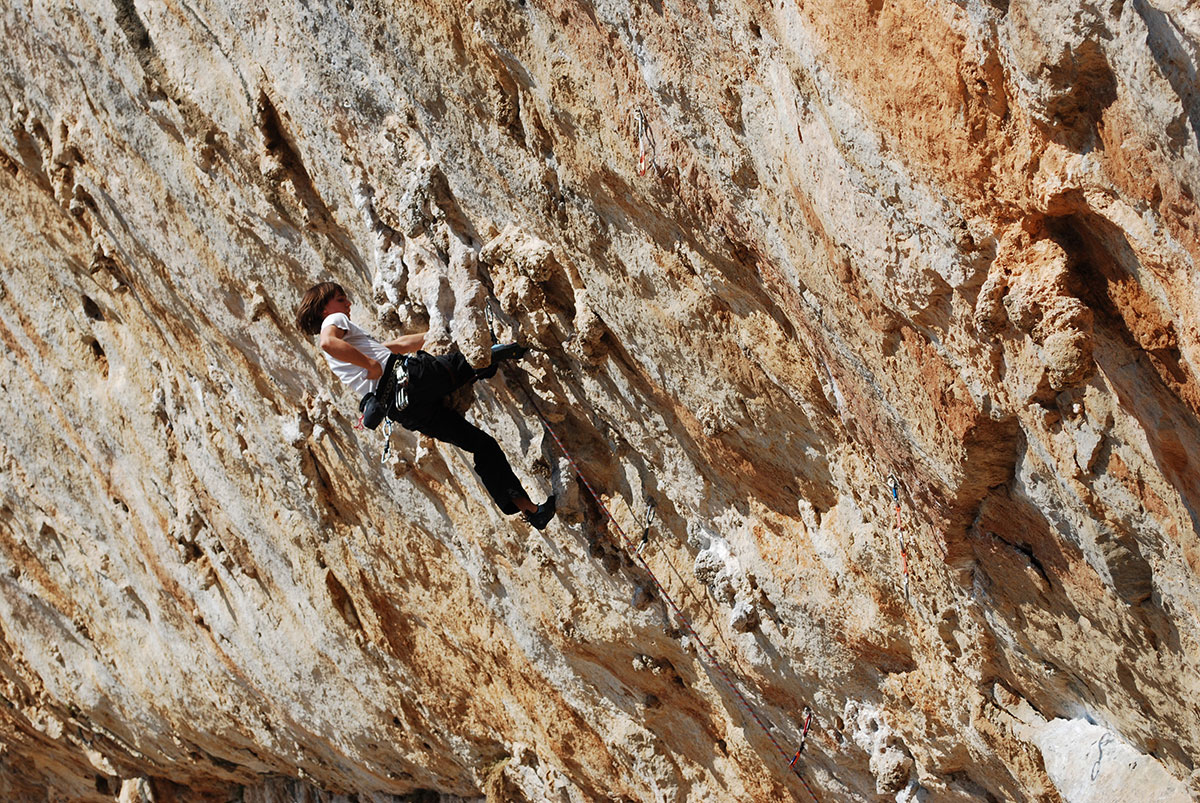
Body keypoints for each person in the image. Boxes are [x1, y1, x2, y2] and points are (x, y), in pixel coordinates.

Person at [295, 281, 556, 529]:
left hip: (404, 409)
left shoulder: (348, 352)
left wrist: (440, 332)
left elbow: (396, 345)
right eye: (341, 299)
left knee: (481, 445)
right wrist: (372, 366)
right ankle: (502, 350)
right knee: (462, 363)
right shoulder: (334, 321)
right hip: (409, 381)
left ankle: (531, 511)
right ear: (324, 309)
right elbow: (328, 341)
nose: (348, 304)